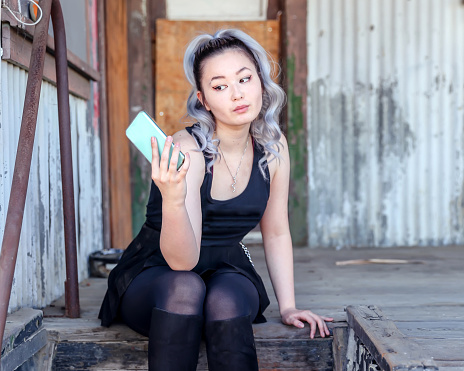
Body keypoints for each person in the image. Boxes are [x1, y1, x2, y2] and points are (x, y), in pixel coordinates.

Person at [99, 28, 333, 371]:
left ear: (261, 82)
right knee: (186, 287)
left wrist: (288, 306)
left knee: (224, 299)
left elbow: (277, 231)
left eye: (244, 79)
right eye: (220, 86)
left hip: (228, 266)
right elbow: (182, 262)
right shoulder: (188, 149)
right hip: (159, 271)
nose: (237, 94)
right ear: (204, 100)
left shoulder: (273, 145)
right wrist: (174, 198)